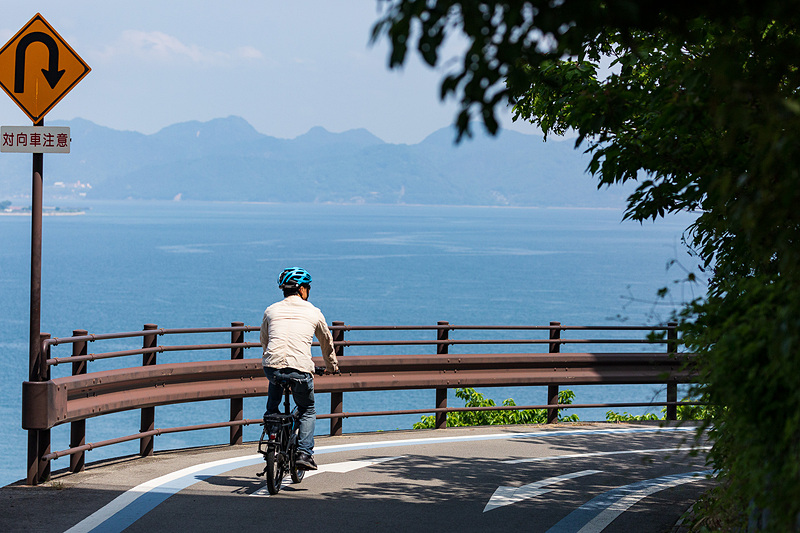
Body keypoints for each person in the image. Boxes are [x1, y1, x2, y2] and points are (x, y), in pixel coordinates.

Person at [260, 267, 339, 471]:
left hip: (272, 366)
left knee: (275, 387)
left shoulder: (271, 310)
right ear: (302, 289)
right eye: (308, 288)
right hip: (300, 369)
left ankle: (272, 428)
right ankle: (304, 453)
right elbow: (326, 342)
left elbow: (264, 340)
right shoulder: (313, 312)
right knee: (307, 410)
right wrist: (331, 366)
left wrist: (271, 358)